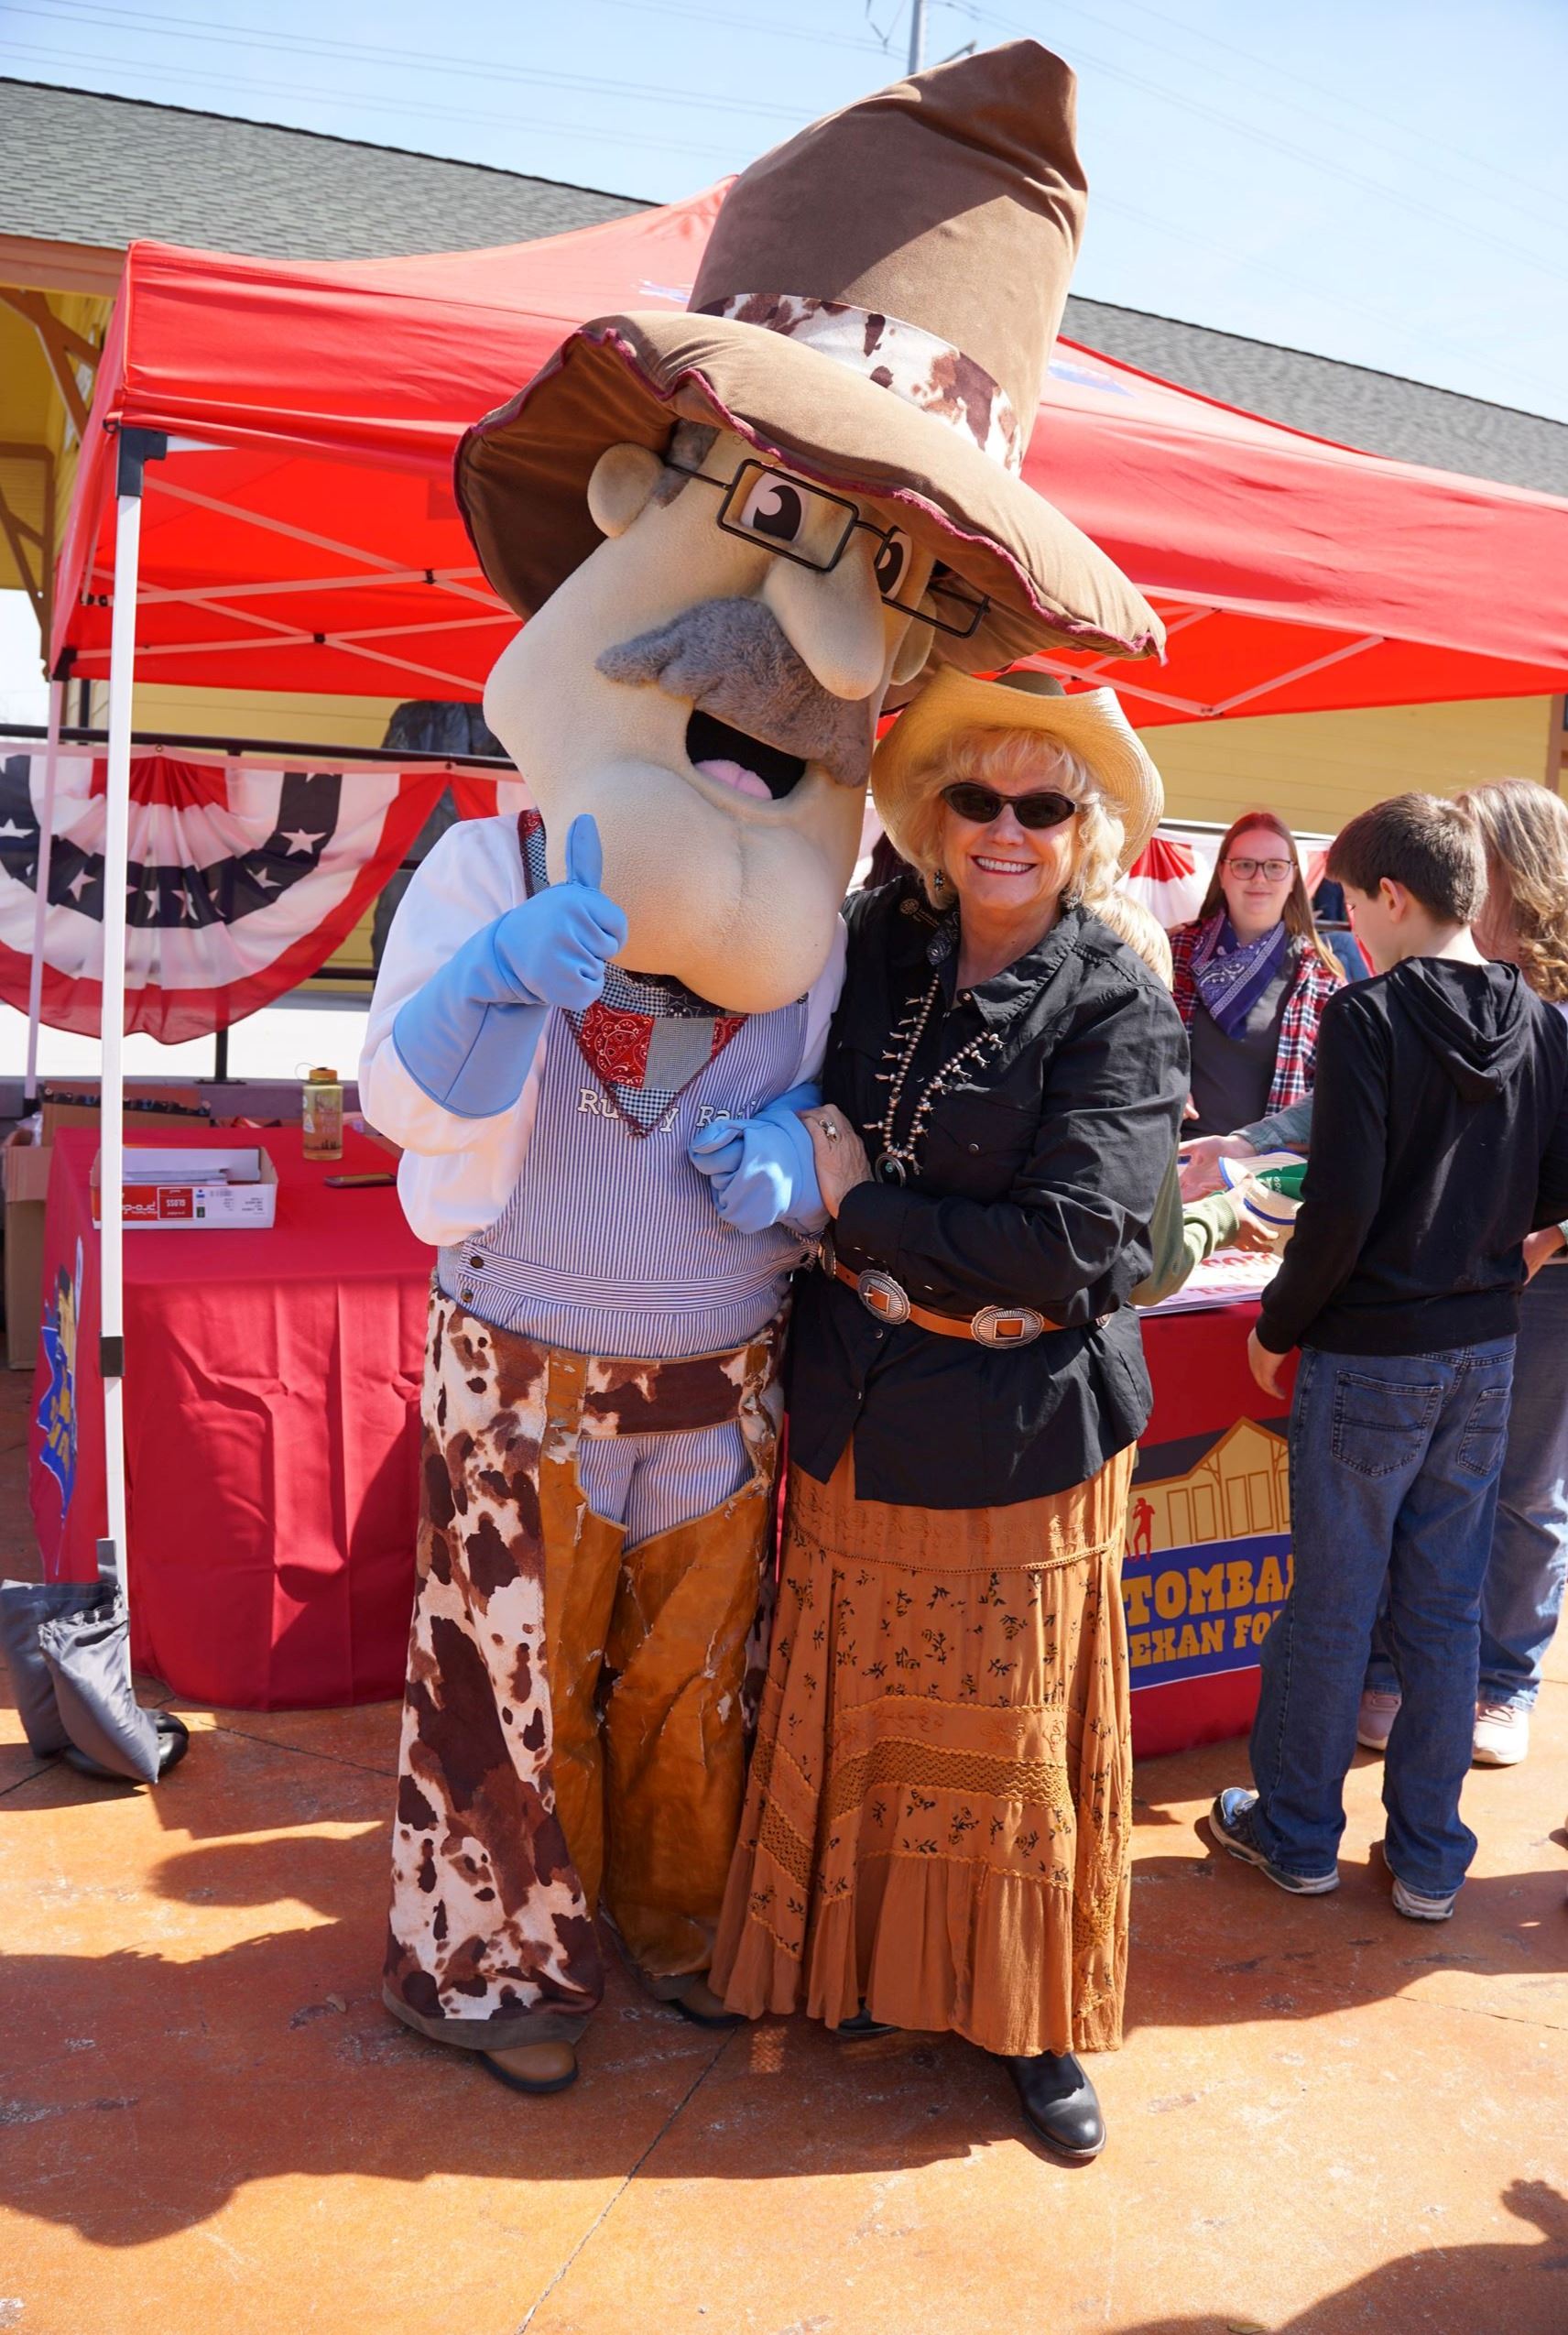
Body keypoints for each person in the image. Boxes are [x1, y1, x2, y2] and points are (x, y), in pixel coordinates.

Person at [358, 44, 1163, 2100]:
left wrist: (804, 1168)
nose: (795, 635)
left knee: (685, 1689)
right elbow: (406, 1086)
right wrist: (495, 992)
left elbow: (935, 1122)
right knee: (501, 1691)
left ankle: (678, 1914)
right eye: (778, 525)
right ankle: (491, 1967)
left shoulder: (859, 900)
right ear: (642, 507)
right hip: (522, 1353)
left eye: (878, 584)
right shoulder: (495, 850)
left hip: (721, 1378)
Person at [710, 666, 1188, 2163]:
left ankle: (1028, 2016)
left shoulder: (1113, 996)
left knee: (1010, 1749)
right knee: (863, 1717)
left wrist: (865, 1209)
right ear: (929, 810)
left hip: (1015, 1437)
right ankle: (863, 1967)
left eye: (1042, 803)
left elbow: (1082, 1244)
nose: (1003, 826)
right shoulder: (882, 938)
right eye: (975, 795)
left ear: (1083, 830)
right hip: (859, 1407)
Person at [1211, 794, 1568, 1924]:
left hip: (1367, 1353)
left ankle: (1297, 1831)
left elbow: (1340, 1207)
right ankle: (1426, 1858)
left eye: (1349, 902)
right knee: (1443, 1606)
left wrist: (1277, 1321)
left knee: (1333, 1598)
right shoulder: (1543, 1021)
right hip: (1480, 1350)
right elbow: (1555, 1194)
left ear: (1393, 896)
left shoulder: (1366, 1016)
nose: (1347, 924)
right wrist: (1494, 1253)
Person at [1170, 811, 1340, 1138]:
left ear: (1293, 878)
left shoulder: (1320, 977)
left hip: (1268, 1167)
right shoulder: (1173, 952)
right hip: (1173, 1157)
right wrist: (1162, 1073)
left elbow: (1332, 1094)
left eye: (1275, 867)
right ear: (1222, 873)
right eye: (1244, 865)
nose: (1259, 879)